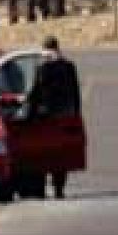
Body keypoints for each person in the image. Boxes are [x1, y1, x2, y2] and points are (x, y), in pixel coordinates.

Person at [25, 36, 82, 199]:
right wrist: (76, 114)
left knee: (43, 154)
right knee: (60, 154)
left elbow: (36, 93)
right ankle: (59, 189)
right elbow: (75, 92)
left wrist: (29, 115)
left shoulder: (43, 67)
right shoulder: (68, 66)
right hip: (65, 115)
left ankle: (40, 190)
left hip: (46, 118)